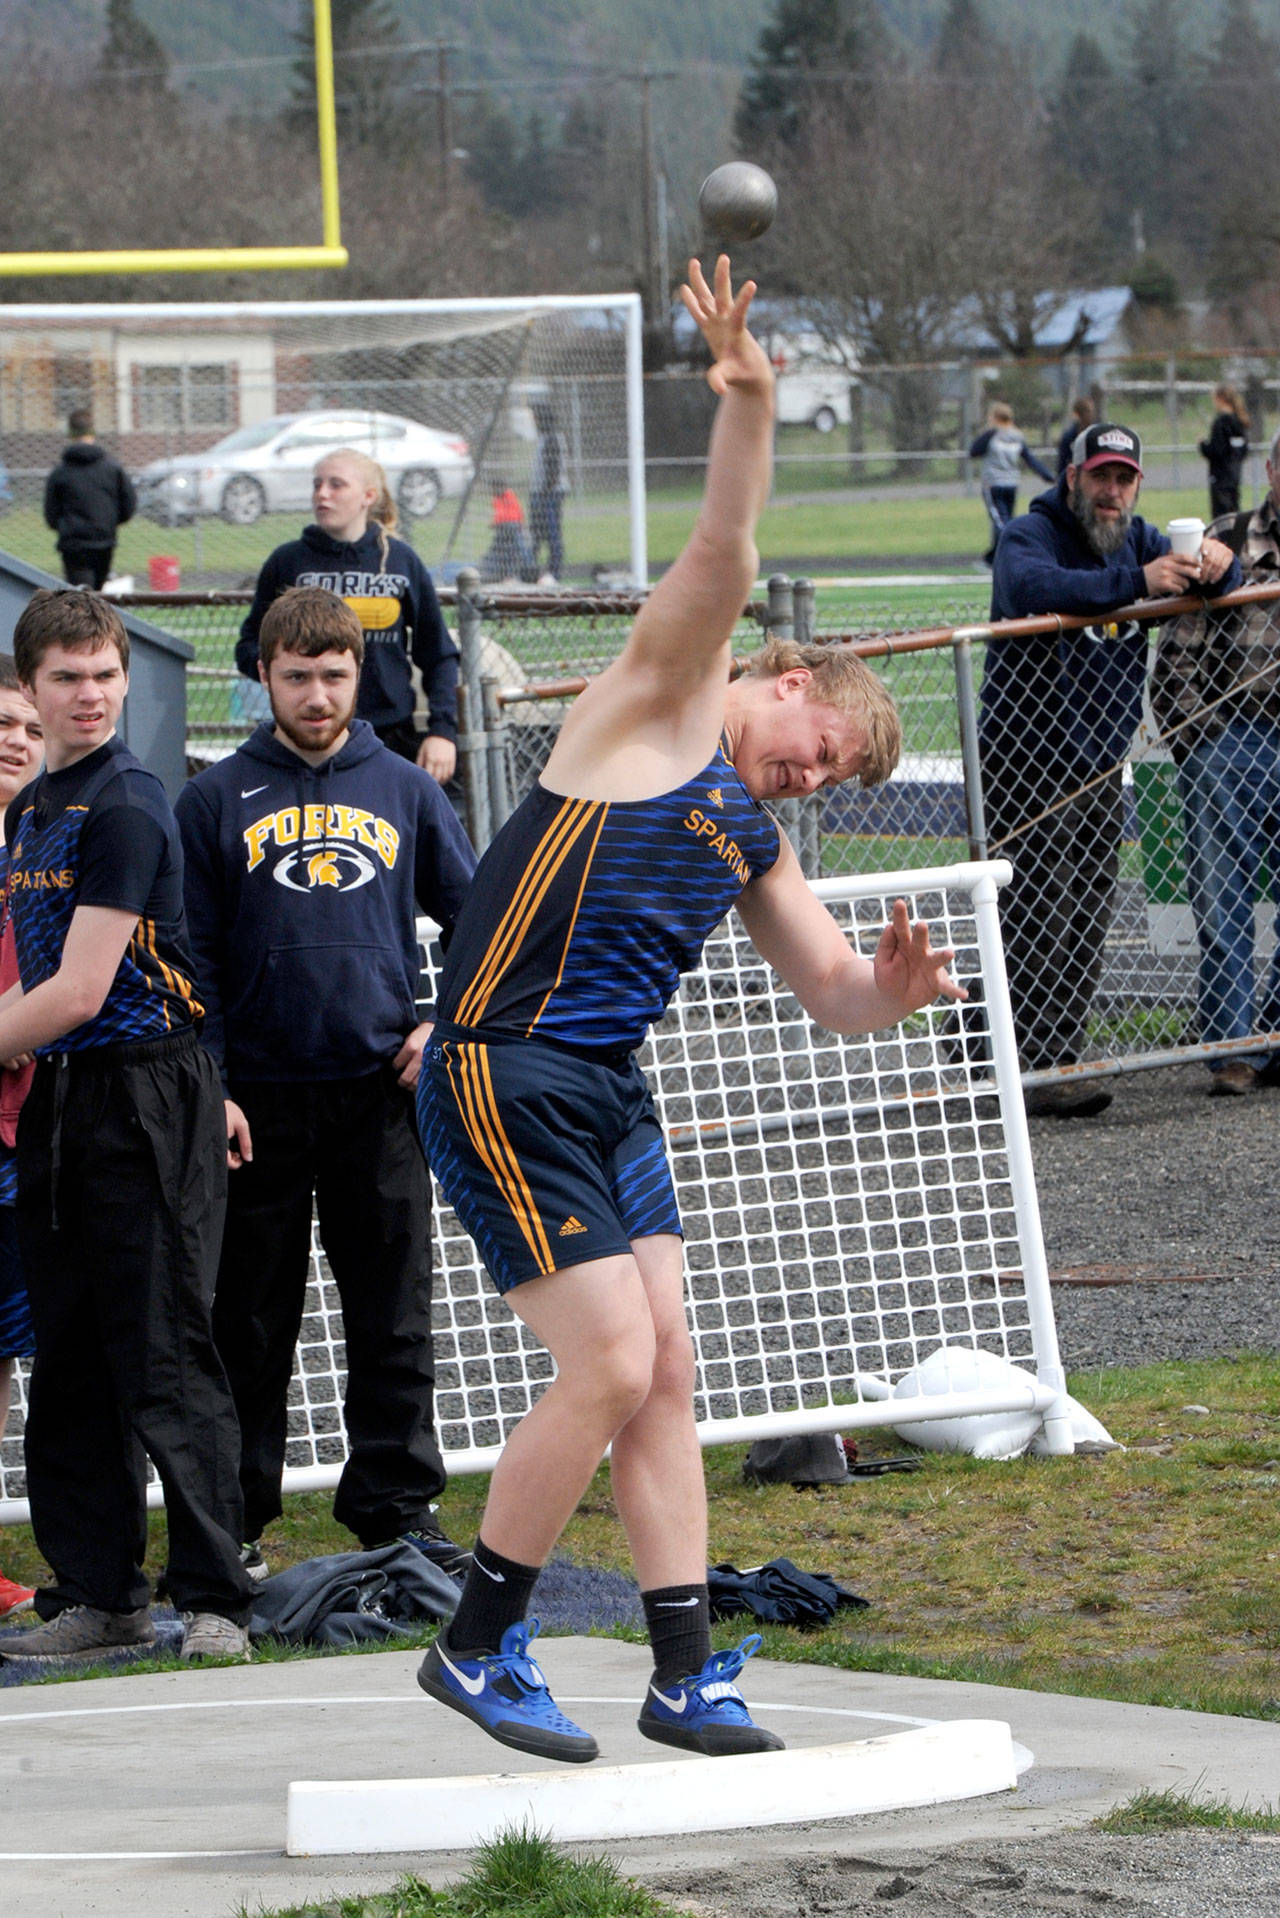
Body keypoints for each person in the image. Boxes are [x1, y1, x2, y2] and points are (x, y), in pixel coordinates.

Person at [414, 256, 962, 1766]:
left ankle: (679, 1668)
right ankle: (478, 1637)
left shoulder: (750, 830)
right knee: (607, 1360)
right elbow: (724, 541)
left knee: (671, 1370)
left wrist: (893, 994)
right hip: (499, 1069)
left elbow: (836, 990)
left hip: (605, 1089)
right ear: (784, 675)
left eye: (838, 779)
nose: (811, 775)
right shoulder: (659, 704)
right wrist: (751, 400)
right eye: (817, 744)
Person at [177, 586, 478, 1579]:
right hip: (254, 1102)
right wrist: (211, 1079)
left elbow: (479, 922)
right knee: (248, 1320)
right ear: (262, 675)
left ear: (362, 677)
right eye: (296, 675)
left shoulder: (404, 788)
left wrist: (443, 1024)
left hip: (376, 1092)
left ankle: (394, 1506)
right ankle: (239, 1514)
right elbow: (193, 962)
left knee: (392, 1310)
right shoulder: (213, 799)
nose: (315, 693)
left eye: (333, 675)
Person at [0, 588, 256, 1663]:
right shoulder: (31, 808)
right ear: (32, 688)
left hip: (147, 1090)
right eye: (66, 678)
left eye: (105, 673)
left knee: (163, 1346)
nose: (90, 695)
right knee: (69, 1355)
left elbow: (80, 988)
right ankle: (98, 1591)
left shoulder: (128, 803)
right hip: (65, 1095)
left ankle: (213, 1598)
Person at [980, 421, 1242, 1117]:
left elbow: (1216, 581)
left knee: (1089, 912)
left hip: (1101, 761)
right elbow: (1033, 587)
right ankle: (1036, 1068)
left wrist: (1219, 565)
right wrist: (1137, 583)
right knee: (1037, 913)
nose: (1112, 492)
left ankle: (1027, 1045)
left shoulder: (1141, 537)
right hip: (1026, 759)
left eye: (1124, 479)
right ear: (1071, 478)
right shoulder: (1030, 534)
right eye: (1101, 477)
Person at [1151, 424, 1280, 1095]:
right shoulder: (1223, 538)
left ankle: (1277, 1042)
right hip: (1229, 737)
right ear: (1269, 468)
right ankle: (1235, 1052)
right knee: (1221, 903)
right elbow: (1179, 647)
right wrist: (1196, 740)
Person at [236, 449, 459, 783]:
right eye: (317, 485)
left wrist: (443, 732)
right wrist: (292, 674)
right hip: (306, 740)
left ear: (368, 496)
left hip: (388, 736)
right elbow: (250, 648)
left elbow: (438, 654)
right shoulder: (288, 562)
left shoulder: (400, 561)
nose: (322, 493)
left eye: (336, 484)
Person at [0, 658, 44, 1620]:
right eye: (3, 722)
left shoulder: (44, 851)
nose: (16, 740)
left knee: (0, 1363)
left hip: (22, 1144)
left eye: (30, 728)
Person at [42, 409, 136, 590]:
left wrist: (64, 526)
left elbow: (51, 512)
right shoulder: (112, 469)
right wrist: (110, 522)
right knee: (99, 592)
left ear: (70, 433)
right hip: (104, 539)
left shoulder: (61, 472)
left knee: (79, 592)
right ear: (92, 432)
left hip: (73, 543)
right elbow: (128, 503)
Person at [968, 402, 1054, 565]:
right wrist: (1046, 475)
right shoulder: (1017, 436)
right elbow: (1029, 459)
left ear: (995, 418)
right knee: (1005, 519)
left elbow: (973, 451)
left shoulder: (992, 434)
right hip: (1011, 484)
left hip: (993, 484)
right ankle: (992, 558)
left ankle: (1011, 555)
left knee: (1001, 523)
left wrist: (988, 432)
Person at [528, 400, 568, 585]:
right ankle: (530, 572)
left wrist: (544, 494)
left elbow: (553, 469)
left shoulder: (553, 438)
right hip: (540, 493)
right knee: (536, 534)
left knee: (552, 533)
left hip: (550, 495)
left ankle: (555, 572)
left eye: (535, 418)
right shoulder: (544, 438)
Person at [1199, 384, 1250, 521]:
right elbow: (1243, 449)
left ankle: (1225, 542)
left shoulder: (1221, 422)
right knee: (1234, 515)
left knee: (1222, 518)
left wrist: (1203, 445)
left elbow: (1217, 450)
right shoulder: (1238, 421)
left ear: (1220, 399)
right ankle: (1236, 542)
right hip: (1234, 476)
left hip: (1220, 477)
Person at [480, 479, 536, 584]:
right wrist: (495, 522)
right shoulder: (496, 499)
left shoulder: (509, 495)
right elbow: (499, 514)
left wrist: (521, 524)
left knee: (519, 550)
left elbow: (513, 513)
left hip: (512, 526)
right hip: (503, 528)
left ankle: (529, 570)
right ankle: (501, 574)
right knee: (504, 551)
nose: (494, 491)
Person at [1056, 396, 1095, 476]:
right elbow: (1062, 462)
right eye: (1088, 412)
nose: (1091, 415)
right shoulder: (1069, 437)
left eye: (1092, 411)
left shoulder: (1095, 434)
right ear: (1079, 414)